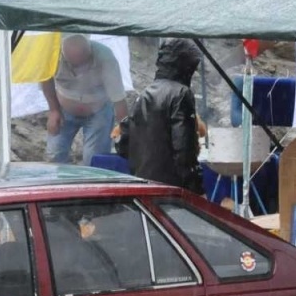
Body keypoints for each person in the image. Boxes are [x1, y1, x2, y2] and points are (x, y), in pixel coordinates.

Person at [116, 38, 202, 194]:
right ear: (186, 66)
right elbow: (184, 148)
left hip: (143, 181)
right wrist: (195, 186)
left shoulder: (144, 94)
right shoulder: (181, 93)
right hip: (171, 185)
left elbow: (123, 144)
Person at [41, 34, 127, 165]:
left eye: (83, 62)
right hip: (63, 109)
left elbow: (118, 98)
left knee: (95, 160)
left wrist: (124, 129)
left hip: (99, 111)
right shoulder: (52, 55)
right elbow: (45, 79)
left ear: (90, 52)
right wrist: (53, 110)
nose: (80, 70)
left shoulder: (105, 57)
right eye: (74, 64)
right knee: (54, 156)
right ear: (63, 55)